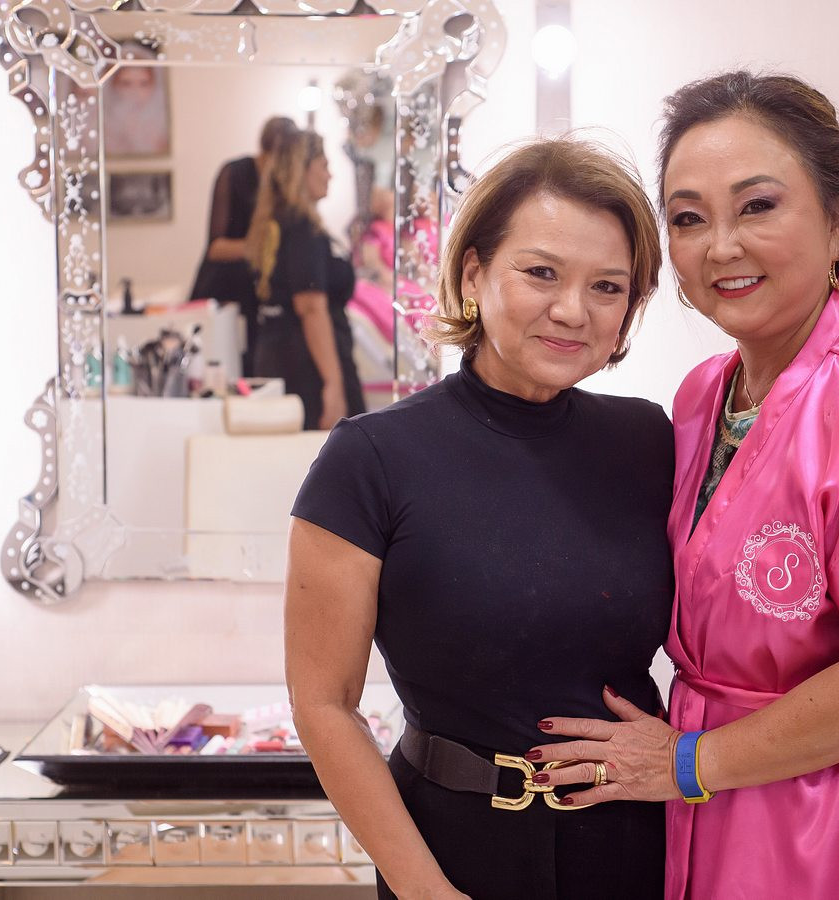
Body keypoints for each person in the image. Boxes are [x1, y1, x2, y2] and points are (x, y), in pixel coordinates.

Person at [529, 72, 839, 899]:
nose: (720, 247)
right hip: (716, 793)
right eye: (688, 218)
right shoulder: (706, 394)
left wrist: (689, 762)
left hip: (836, 813)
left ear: (837, 214)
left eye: (757, 206)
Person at [285, 139, 671, 899]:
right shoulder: (371, 458)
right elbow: (323, 705)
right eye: (541, 273)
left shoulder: (651, 440)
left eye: (607, 286)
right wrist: (426, 890)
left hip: (633, 842)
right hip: (448, 848)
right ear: (473, 274)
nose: (573, 310)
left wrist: (690, 755)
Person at [246, 129, 365, 429]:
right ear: (302, 170)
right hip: (308, 369)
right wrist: (333, 384)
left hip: (282, 357)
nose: (330, 175)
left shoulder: (278, 222)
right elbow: (311, 308)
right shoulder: (301, 228)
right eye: (324, 166)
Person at [190, 115, 298, 376]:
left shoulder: (284, 185)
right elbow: (216, 248)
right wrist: (263, 247)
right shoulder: (234, 173)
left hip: (260, 295)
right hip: (224, 289)